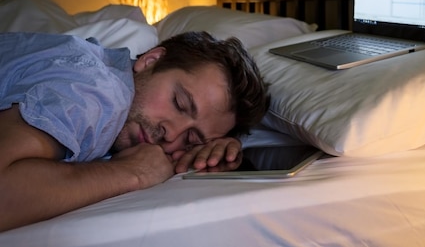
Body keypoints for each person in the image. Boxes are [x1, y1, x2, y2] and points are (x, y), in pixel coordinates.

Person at [0, 30, 269, 232]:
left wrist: (207, 154)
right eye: (180, 103)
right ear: (151, 59)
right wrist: (132, 172)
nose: (171, 135)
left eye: (191, 139)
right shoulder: (98, 94)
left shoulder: (113, 72)